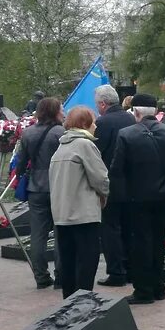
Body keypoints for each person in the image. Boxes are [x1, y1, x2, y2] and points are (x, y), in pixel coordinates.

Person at [110, 94, 165, 305]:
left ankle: (143, 290)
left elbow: (116, 170)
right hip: (162, 197)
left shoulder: (126, 135)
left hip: (136, 198)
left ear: (136, 113)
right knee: (158, 242)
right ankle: (158, 287)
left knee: (139, 243)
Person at [48, 107, 110, 299]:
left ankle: (69, 303)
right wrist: (104, 195)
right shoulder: (85, 145)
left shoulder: (62, 146)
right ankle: (83, 304)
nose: (96, 125)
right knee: (86, 262)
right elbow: (100, 178)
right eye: (93, 121)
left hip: (62, 215)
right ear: (84, 124)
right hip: (83, 215)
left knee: (68, 262)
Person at [14, 96, 64, 289]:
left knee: (38, 234)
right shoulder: (61, 132)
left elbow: (20, 163)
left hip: (36, 187)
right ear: (54, 111)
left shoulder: (28, 133)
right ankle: (61, 275)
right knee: (61, 232)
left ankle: (41, 276)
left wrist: (19, 175)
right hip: (59, 186)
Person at [93, 84, 136, 287]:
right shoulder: (130, 118)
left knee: (110, 228)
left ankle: (116, 272)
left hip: (110, 183)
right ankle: (129, 268)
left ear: (103, 103)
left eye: (97, 104)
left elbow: (96, 152)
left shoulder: (103, 122)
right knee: (128, 227)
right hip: (132, 182)